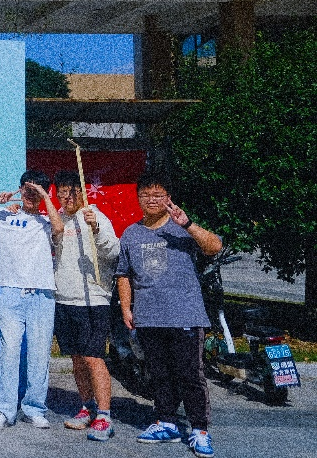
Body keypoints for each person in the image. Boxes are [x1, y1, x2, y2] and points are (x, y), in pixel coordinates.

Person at [117, 171, 221, 458]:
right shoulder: (131, 233)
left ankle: (200, 430)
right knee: (159, 374)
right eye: (146, 195)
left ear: (168, 198)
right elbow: (123, 274)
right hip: (149, 316)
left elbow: (214, 247)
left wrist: (187, 224)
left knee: (190, 375)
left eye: (158, 195)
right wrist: (126, 307)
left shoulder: (182, 229)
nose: (151, 200)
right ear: (138, 198)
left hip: (185, 315)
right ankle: (166, 422)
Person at [0, 170, 64, 431]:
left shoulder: (48, 221)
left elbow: (59, 230)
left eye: (36, 191)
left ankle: (34, 408)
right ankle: (4, 409)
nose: (30, 195)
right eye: (27, 190)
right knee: (10, 352)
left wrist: (43, 196)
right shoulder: (5, 216)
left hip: (43, 294)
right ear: (20, 189)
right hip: (12, 293)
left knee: (39, 354)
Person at [52, 170, 121, 441]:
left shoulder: (94, 216)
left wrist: (97, 229)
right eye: (62, 193)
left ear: (81, 192)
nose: (67, 198)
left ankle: (104, 415)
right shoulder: (57, 218)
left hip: (93, 299)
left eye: (72, 192)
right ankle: (87, 406)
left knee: (94, 358)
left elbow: (114, 252)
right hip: (64, 298)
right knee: (77, 358)